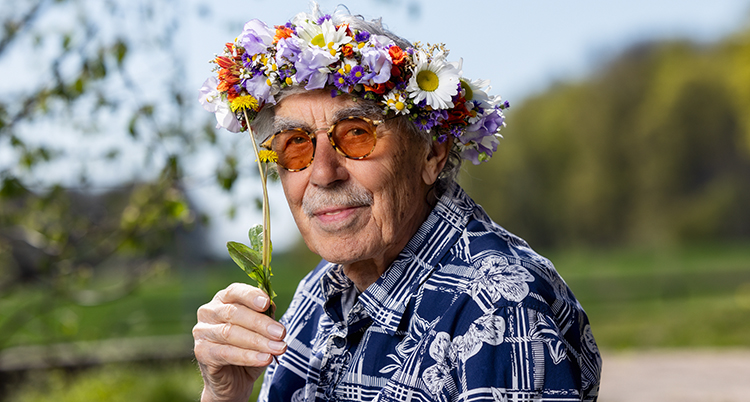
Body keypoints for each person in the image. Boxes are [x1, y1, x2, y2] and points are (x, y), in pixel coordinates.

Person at [193, 5, 602, 402]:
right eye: (296, 144)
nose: (322, 173)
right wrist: (223, 394)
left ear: (431, 155)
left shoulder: (498, 306)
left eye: (356, 134)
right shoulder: (320, 290)